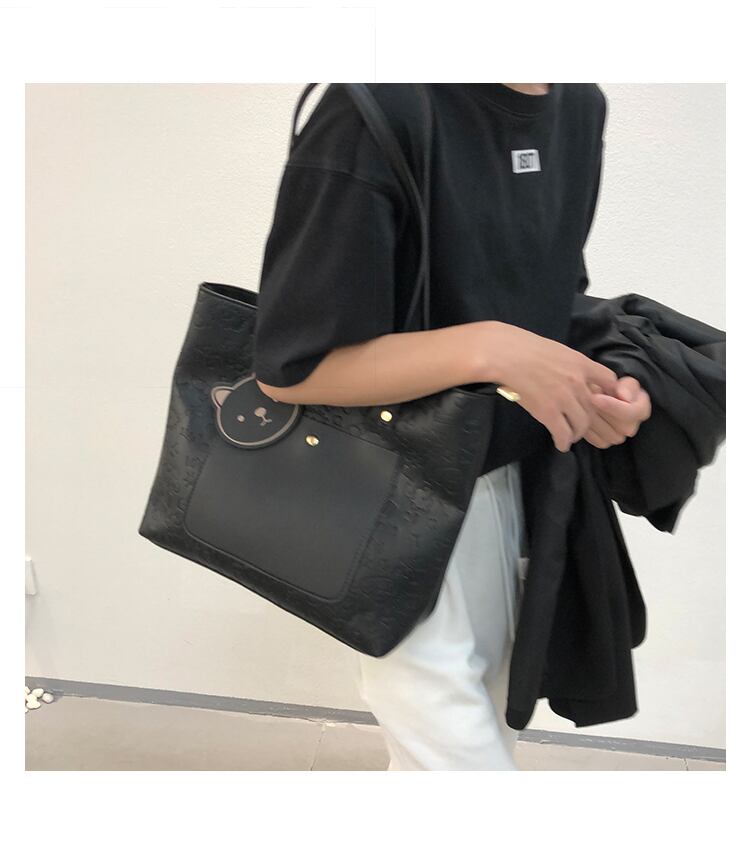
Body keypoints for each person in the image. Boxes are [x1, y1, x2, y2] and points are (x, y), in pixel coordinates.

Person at [252, 83, 652, 770]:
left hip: (527, 478)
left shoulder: (579, 105)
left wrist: (604, 382)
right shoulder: (374, 107)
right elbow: (294, 367)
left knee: (480, 735)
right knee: (459, 763)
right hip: (398, 494)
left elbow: (552, 293)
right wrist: (489, 347)